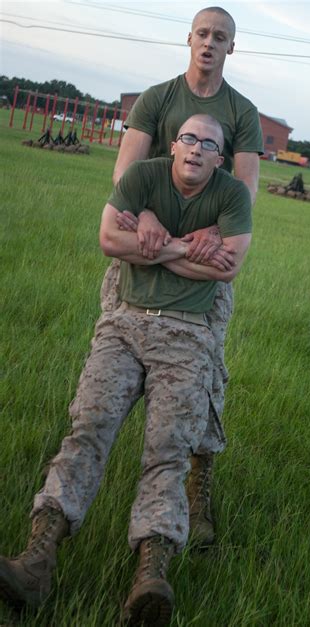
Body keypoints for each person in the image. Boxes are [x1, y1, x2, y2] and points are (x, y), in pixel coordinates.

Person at [0, 114, 252, 625]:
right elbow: (111, 241)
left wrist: (156, 245)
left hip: (187, 335)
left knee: (169, 449)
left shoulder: (231, 196)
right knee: (87, 430)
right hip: (124, 325)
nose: (196, 149)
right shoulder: (143, 176)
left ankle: (149, 577)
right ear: (174, 144)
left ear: (220, 158)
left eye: (209, 144)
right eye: (188, 139)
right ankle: (36, 561)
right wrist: (186, 248)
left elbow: (230, 264)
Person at [101, 6, 263, 546]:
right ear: (188, 39)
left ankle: (199, 488)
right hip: (139, 260)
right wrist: (144, 212)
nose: (210, 44)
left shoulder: (242, 113)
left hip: (202, 267)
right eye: (203, 34)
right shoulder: (158, 99)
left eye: (221, 37)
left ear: (231, 48)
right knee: (114, 364)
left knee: (203, 375)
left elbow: (244, 190)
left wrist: (218, 232)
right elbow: (126, 172)